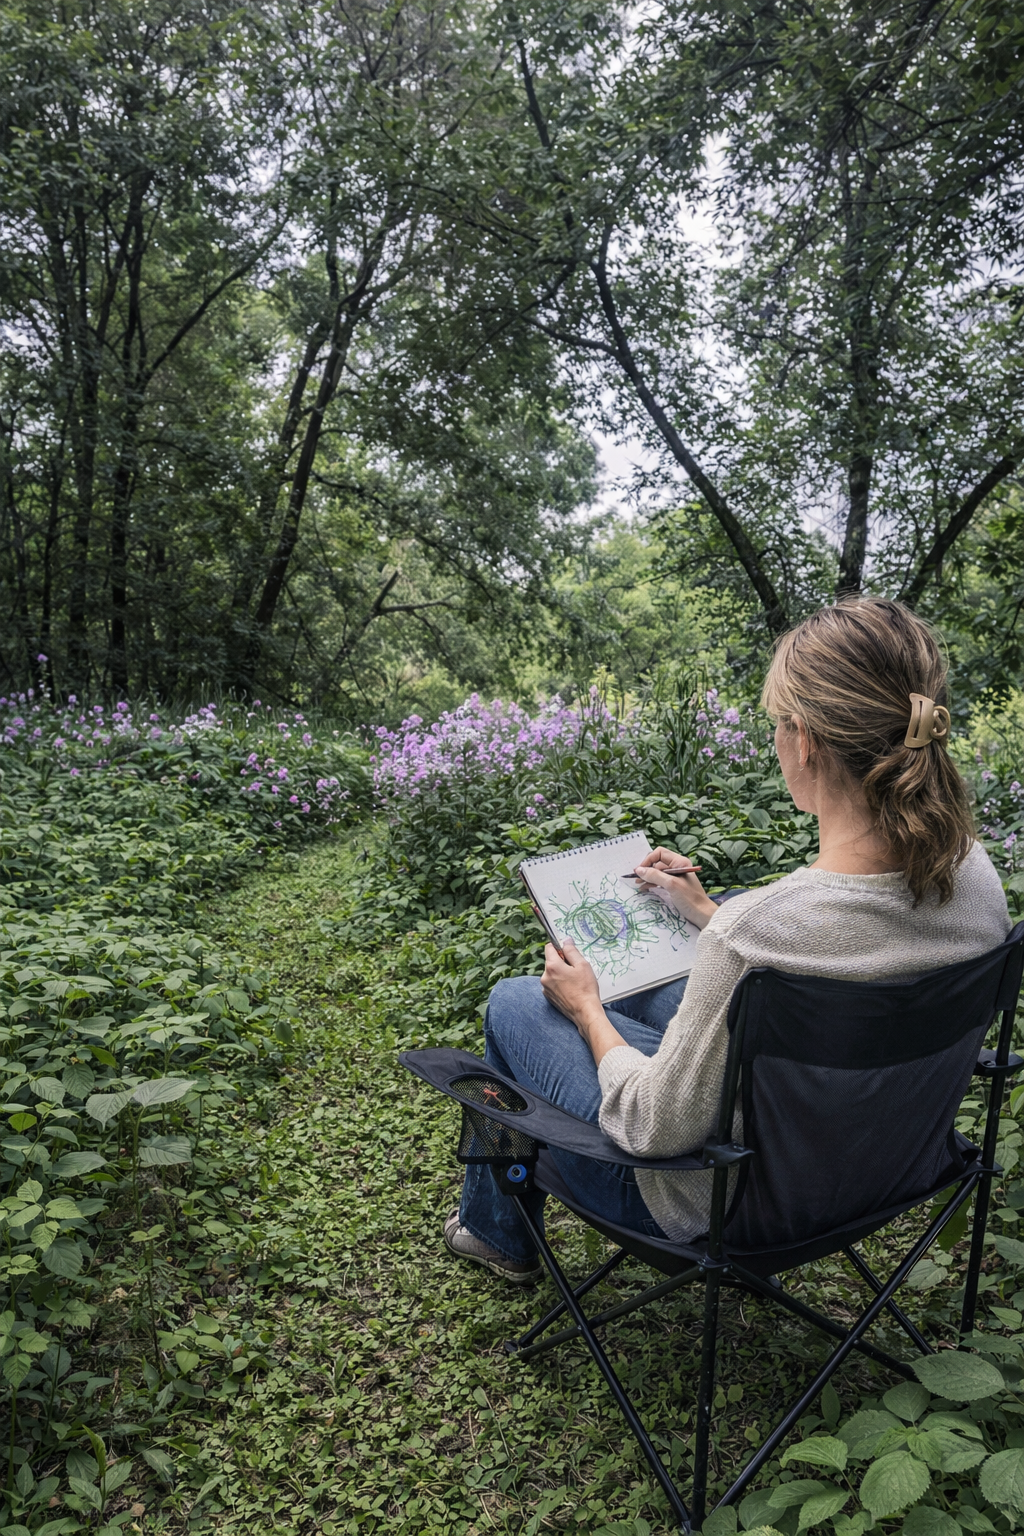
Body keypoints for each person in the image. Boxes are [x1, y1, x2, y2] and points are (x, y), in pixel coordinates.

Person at [444, 597, 1012, 1282]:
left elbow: (650, 1127)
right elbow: (849, 940)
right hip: (877, 1167)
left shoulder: (761, 933)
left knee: (516, 1001)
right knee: (717, 936)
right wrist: (707, 911)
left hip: (725, 1208)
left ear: (803, 737)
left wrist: (589, 1011)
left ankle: (495, 1233)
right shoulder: (975, 874)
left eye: (776, 723)